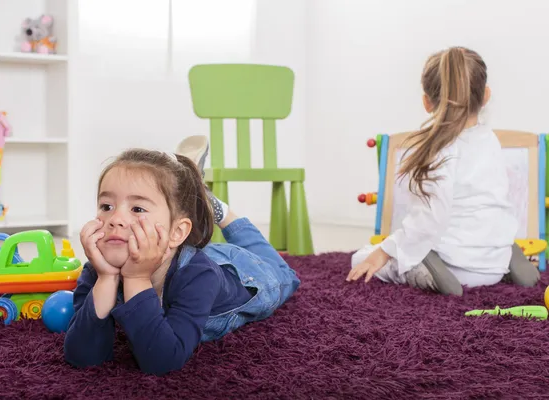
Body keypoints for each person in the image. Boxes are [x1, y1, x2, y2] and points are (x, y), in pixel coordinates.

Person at [63, 136, 300, 376]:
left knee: (286, 275)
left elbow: (162, 361)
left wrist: (136, 278)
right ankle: (198, 196)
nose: (115, 219)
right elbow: (82, 356)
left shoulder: (199, 276)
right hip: (188, 252)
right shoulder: (97, 270)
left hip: (244, 274)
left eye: (137, 209)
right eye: (106, 206)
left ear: (176, 232)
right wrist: (106, 279)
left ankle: (222, 211)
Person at [347, 46, 540, 295]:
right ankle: (507, 253)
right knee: (460, 230)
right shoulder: (489, 139)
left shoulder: (438, 151)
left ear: (427, 102)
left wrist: (384, 251)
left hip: (456, 265)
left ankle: (431, 268)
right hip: (494, 259)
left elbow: (428, 220)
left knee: (361, 258)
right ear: (485, 96)